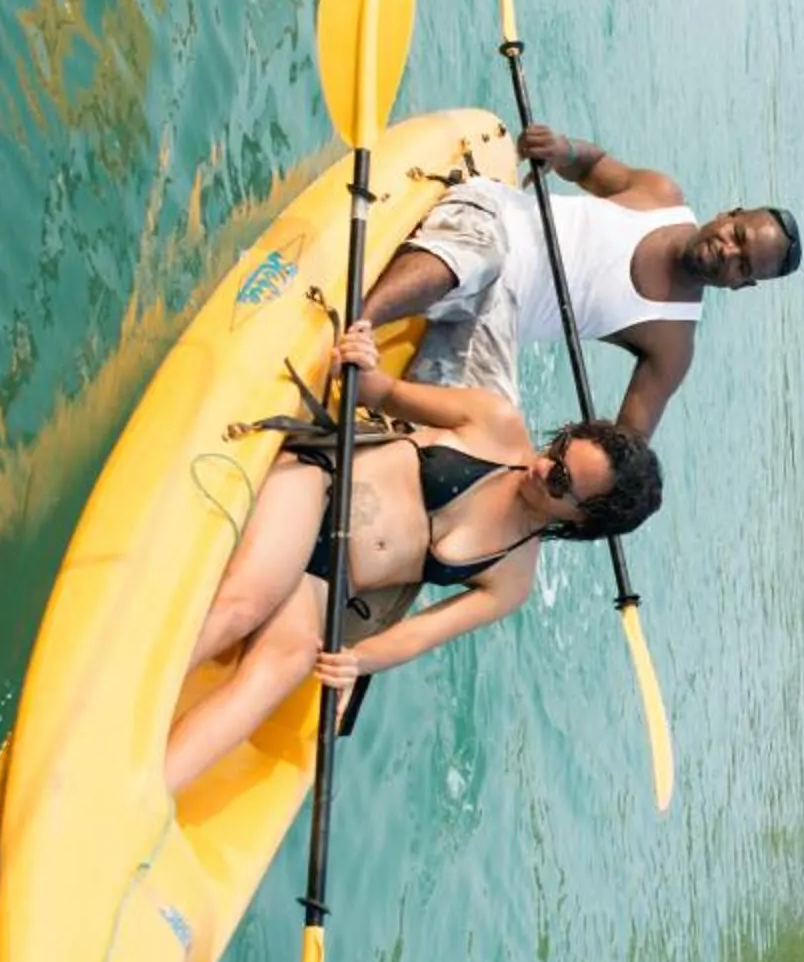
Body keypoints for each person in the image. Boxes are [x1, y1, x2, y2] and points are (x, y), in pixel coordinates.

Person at [163, 321, 663, 792]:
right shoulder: (495, 422)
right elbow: (385, 392)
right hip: (316, 487)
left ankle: (149, 786)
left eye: (559, 481)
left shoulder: (512, 577)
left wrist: (356, 660)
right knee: (246, 604)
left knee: (286, 663)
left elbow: (420, 633)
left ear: (582, 520)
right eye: (557, 448)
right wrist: (363, 356)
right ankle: (131, 697)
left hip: (327, 579)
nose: (540, 466)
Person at [361, 122, 801, 443]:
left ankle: (366, 437)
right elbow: (591, 166)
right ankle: (360, 321)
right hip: (491, 224)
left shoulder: (673, 342)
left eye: (743, 266)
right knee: (480, 260)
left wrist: (601, 475)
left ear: (742, 287)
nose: (728, 252)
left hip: (495, 323)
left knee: (496, 439)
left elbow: (629, 442)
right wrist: (562, 149)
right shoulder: (660, 195)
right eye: (737, 236)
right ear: (730, 214)